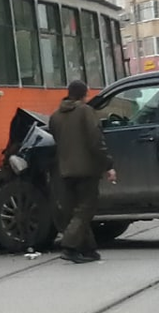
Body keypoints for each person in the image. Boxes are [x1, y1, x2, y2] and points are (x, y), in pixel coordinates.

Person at [48, 79, 116, 264]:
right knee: (86, 209)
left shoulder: (55, 116)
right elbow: (96, 141)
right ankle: (69, 246)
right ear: (84, 94)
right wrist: (108, 164)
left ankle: (88, 249)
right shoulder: (86, 112)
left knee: (77, 211)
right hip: (86, 170)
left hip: (65, 171)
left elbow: (56, 140)